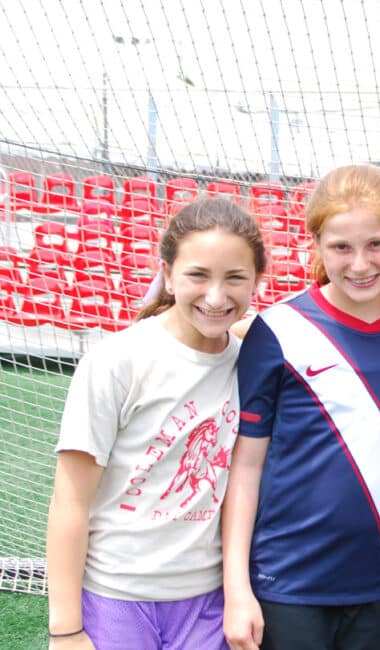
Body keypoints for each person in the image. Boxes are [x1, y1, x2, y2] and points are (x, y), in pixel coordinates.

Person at [45, 198, 267, 650]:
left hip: (206, 604)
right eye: (198, 275)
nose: (216, 296)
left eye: (235, 278)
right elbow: (70, 501)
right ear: (167, 274)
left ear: (257, 281)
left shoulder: (250, 361)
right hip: (115, 599)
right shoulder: (117, 361)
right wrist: (65, 629)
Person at [222, 164, 380, 650]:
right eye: (341, 247)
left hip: (374, 578)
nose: (359, 264)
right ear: (316, 245)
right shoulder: (277, 331)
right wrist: (237, 589)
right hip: (287, 584)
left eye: (375, 244)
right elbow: (245, 466)